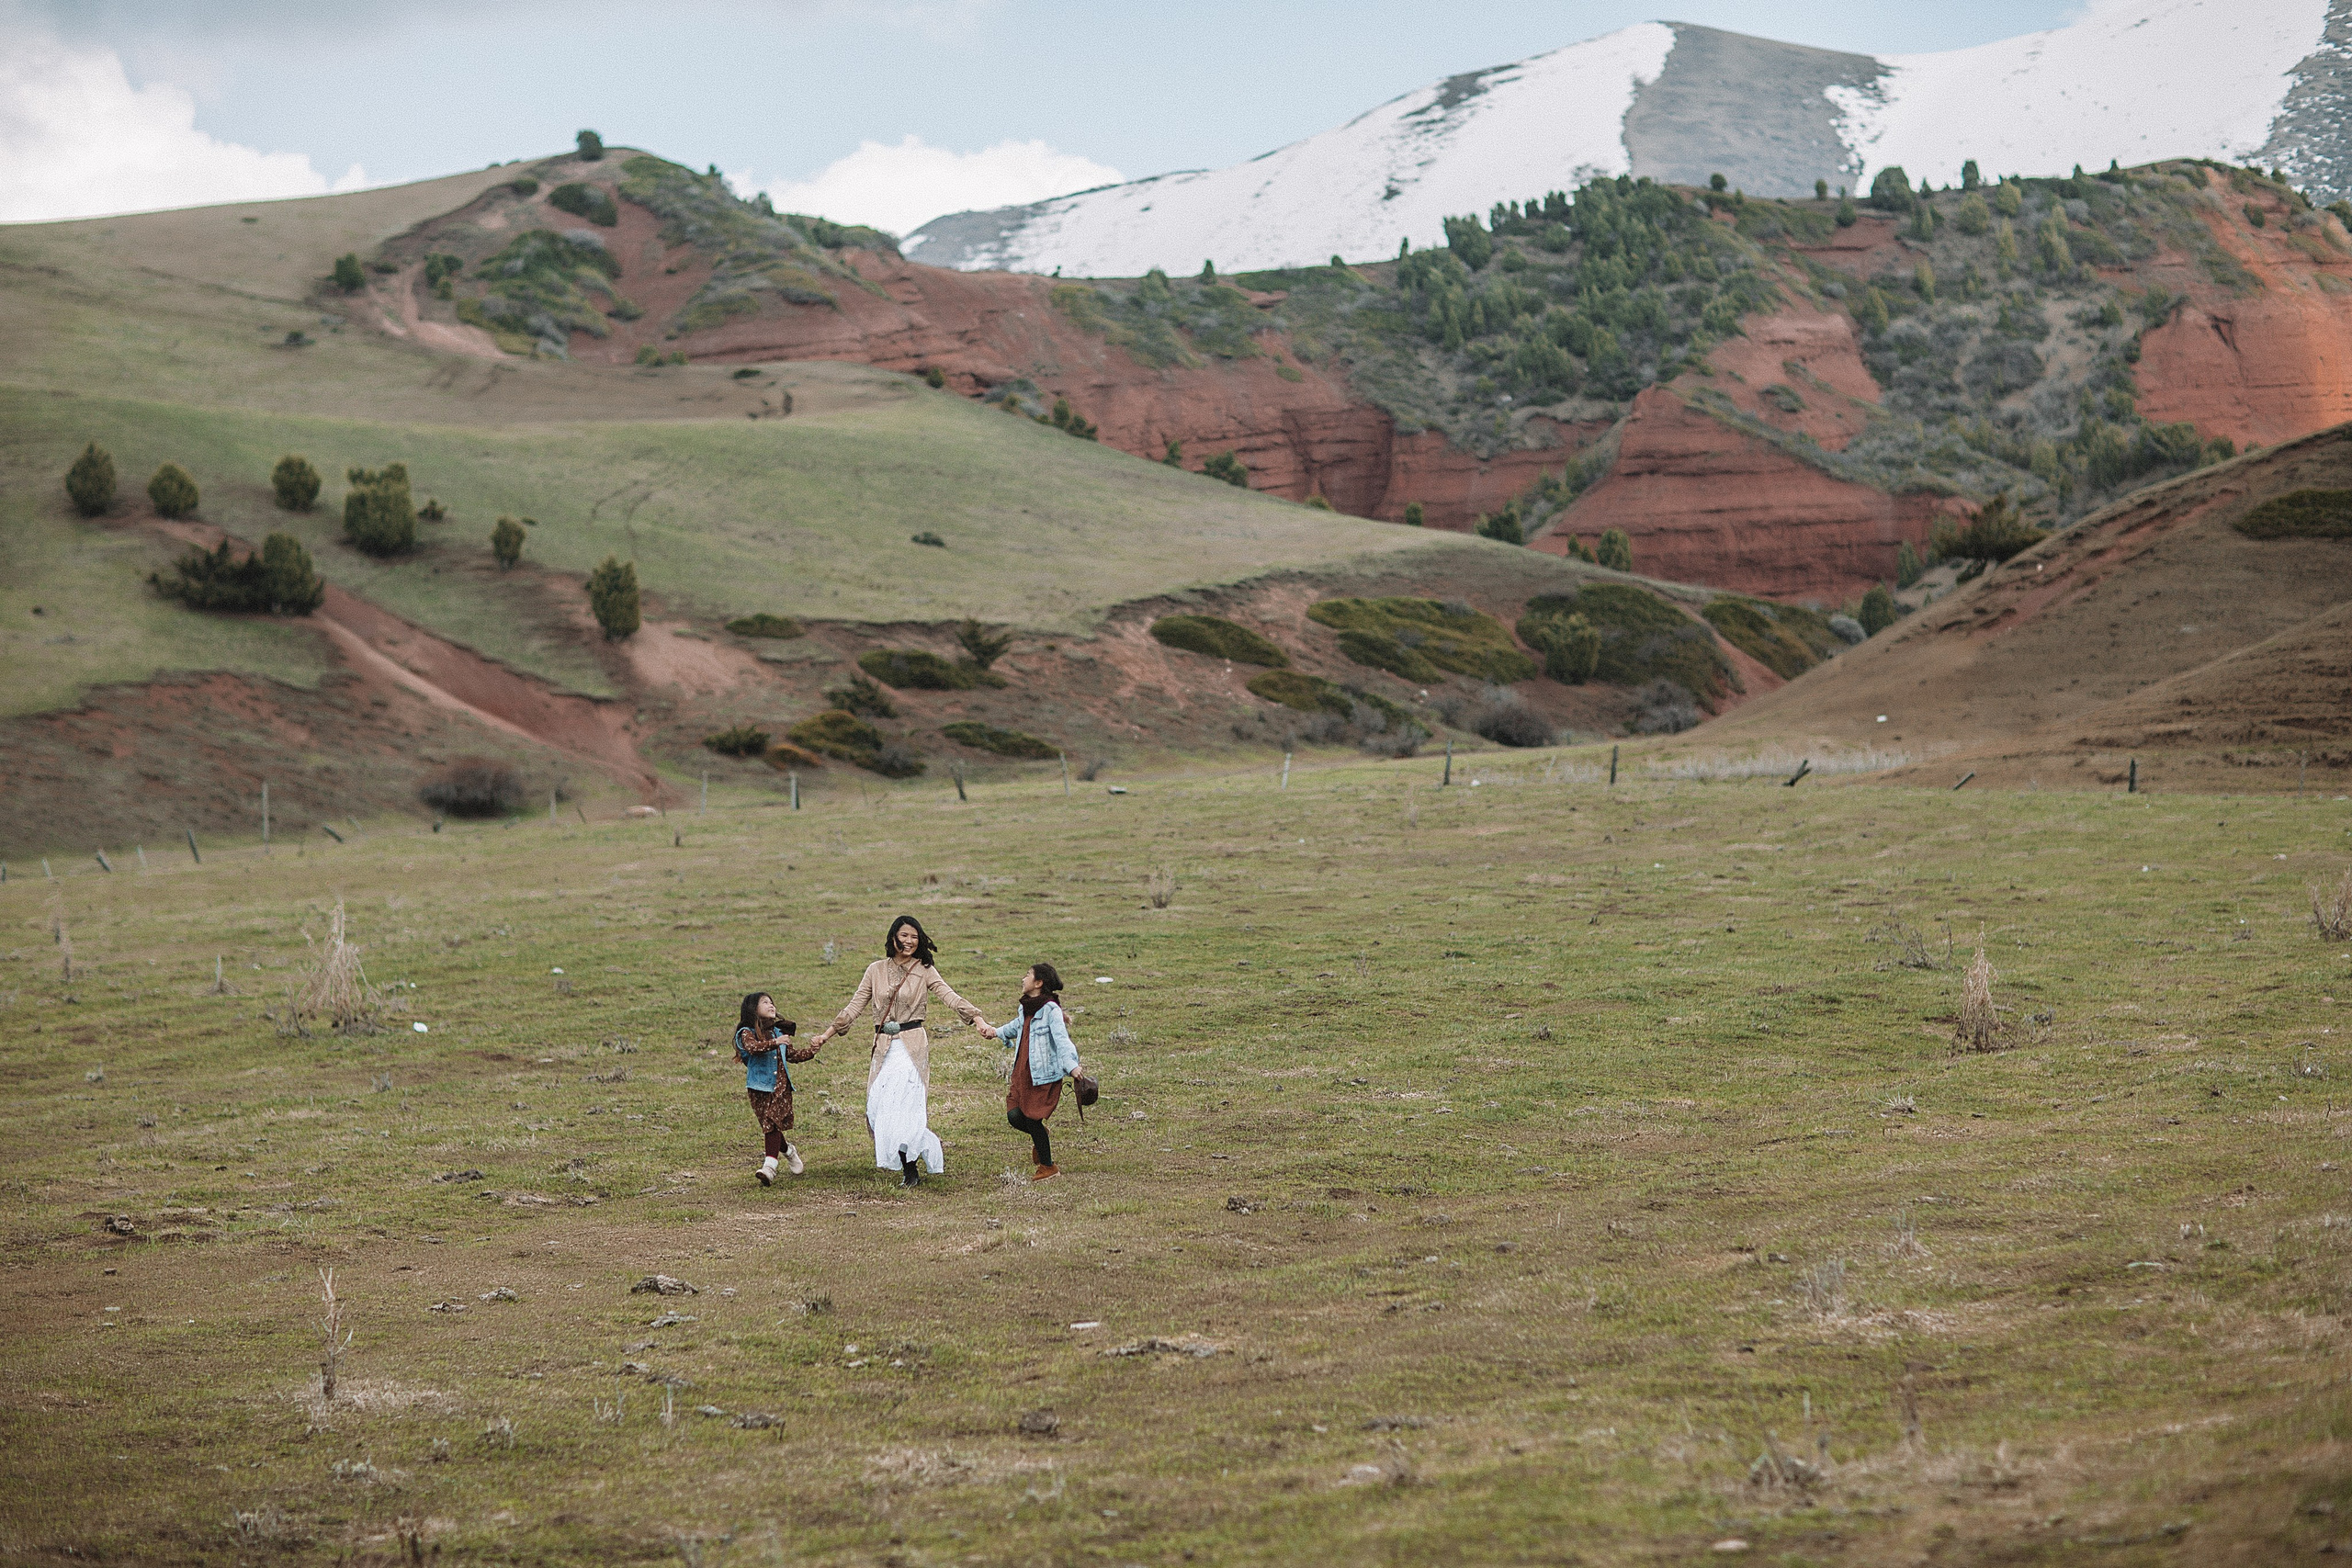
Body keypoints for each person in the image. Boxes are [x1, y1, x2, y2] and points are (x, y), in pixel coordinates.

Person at [807, 915, 984, 1188]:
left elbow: (949, 996)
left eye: (914, 937)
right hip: (883, 1046)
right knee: (877, 1105)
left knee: (901, 1104)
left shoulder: (924, 969)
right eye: (904, 936)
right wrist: (826, 1035)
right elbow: (855, 1007)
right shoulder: (875, 970)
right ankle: (923, 1146)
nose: (909, 941)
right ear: (893, 937)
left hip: (912, 1044)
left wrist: (977, 1018)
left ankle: (909, 1168)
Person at [985, 962, 1083, 1180]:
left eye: (1027, 975)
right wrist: (996, 1032)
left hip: (1041, 1075)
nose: (1023, 979)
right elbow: (1016, 1026)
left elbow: (1062, 1041)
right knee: (1014, 1115)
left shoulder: (1051, 1010)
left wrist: (1072, 1065)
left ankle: (1048, 1167)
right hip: (1022, 1071)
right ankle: (1041, 1137)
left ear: (1038, 983)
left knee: (1031, 1117)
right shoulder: (1026, 1006)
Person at [734, 991, 816, 1187]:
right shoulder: (746, 1032)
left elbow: (793, 1055)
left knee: (771, 1124)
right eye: (765, 1003)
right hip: (758, 1088)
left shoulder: (779, 1033)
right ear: (753, 1009)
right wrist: (775, 1043)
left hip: (781, 1088)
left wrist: (813, 1050)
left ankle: (769, 1167)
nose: (771, 1006)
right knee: (769, 1126)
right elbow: (753, 1048)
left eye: (772, 1003)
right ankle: (788, 1151)